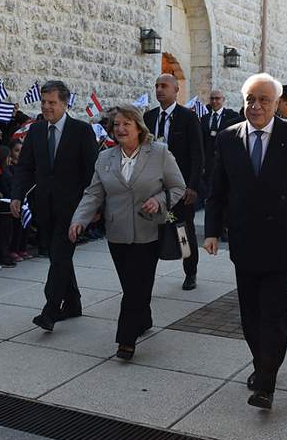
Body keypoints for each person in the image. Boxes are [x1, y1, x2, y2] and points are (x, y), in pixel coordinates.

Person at [203, 73, 287, 410]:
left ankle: (266, 382)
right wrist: (211, 231)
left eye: (264, 100)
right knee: (250, 315)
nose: (256, 106)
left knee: (272, 313)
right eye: (250, 100)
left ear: (277, 103)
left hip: (283, 240)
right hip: (244, 241)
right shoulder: (228, 137)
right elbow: (217, 190)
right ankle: (262, 363)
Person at [70, 106, 186, 359]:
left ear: (138, 127)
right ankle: (143, 318)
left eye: (126, 124)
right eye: (116, 124)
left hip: (149, 231)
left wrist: (158, 201)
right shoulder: (105, 158)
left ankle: (126, 340)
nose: (120, 129)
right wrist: (79, 220)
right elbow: (93, 193)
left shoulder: (159, 153)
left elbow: (178, 187)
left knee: (135, 286)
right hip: (117, 233)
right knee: (132, 284)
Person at [11, 80, 98, 331]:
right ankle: (73, 303)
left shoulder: (81, 131)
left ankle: (50, 310)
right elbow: (25, 167)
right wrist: (17, 196)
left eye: (52, 102)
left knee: (59, 256)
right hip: (44, 207)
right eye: (44, 102)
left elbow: (92, 173)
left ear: (65, 103)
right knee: (58, 257)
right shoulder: (36, 131)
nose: (47, 107)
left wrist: (93, 208)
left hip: (73, 209)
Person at [143, 74, 204, 291]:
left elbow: (197, 154)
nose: (159, 90)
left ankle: (190, 271)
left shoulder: (188, 117)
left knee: (182, 230)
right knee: (150, 231)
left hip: (180, 187)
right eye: (157, 86)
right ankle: (147, 274)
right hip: (153, 187)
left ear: (176, 90)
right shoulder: (149, 117)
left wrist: (193, 186)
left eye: (164, 86)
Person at [200, 89, 239, 217]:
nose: (214, 101)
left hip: (224, 159)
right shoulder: (204, 118)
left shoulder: (231, 117)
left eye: (217, 98)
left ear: (223, 100)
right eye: (212, 99)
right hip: (209, 161)